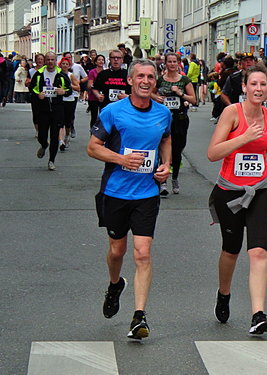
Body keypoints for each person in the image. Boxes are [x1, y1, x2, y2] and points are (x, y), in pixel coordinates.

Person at [87, 59, 172, 340]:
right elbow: (93, 148)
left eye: (150, 76)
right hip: (115, 192)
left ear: (155, 81)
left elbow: (166, 139)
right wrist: (121, 159)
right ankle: (114, 285)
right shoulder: (114, 112)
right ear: (131, 80)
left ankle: (139, 316)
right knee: (117, 251)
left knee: (143, 253)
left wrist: (166, 165)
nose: (146, 81)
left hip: (147, 194)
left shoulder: (163, 114)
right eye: (140, 77)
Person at [207, 65, 267, 334]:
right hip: (229, 190)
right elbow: (213, 153)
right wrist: (243, 137)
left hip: (262, 188)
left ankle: (258, 314)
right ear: (244, 87)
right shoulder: (232, 113)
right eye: (253, 84)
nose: (259, 89)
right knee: (231, 250)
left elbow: (265, 146)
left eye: (263, 84)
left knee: (259, 250)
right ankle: (224, 293)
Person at [153, 52, 196, 195]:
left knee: (177, 151)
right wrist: (156, 97)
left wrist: (180, 93)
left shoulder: (184, 80)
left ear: (178, 63)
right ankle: (163, 181)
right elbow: (150, 93)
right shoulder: (160, 80)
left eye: (174, 61)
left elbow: (193, 100)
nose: (172, 64)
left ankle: (175, 178)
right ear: (165, 63)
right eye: (169, 61)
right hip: (163, 119)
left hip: (180, 119)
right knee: (162, 150)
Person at [29, 51, 72, 171]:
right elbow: (32, 88)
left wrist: (64, 92)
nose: (50, 62)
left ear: (55, 60)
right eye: (48, 60)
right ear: (45, 61)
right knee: (41, 134)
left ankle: (51, 160)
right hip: (43, 109)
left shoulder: (62, 75)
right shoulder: (39, 74)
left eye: (52, 60)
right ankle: (44, 144)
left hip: (57, 109)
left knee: (54, 136)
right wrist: (39, 95)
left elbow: (69, 89)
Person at [58, 57, 80, 151]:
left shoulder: (71, 75)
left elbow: (78, 87)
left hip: (70, 100)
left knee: (68, 121)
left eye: (67, 64)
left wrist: (69, 85)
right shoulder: (57, 75)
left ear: (69, 65)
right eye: (63, 64)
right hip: (60, 100)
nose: (65, 65)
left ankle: (67, 135)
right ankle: (61, 141)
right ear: (60, 65)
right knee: (60, 121)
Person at [87, 54, 105, 128]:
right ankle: (92, 133)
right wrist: (95, 87)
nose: (101, 61)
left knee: (103, 116)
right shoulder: (92, 72)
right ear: (96, 62)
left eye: (102, 60)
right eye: (99, 60)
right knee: (94, 117)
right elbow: (89, 85)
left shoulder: (106, 72)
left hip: (103, 97)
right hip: (93, 97)